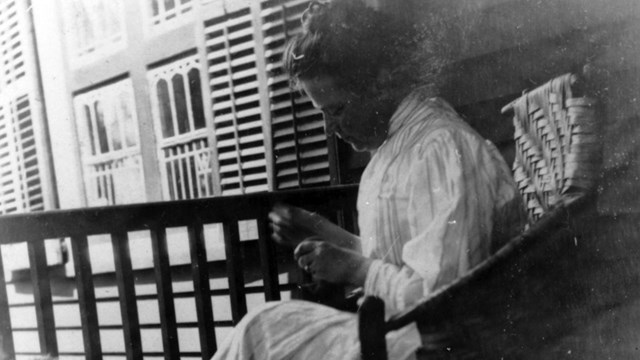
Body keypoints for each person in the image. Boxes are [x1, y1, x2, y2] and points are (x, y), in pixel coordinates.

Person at [212, 1, 526, 359]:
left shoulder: (441, 149)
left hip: (429, 346)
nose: (331, 129)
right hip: (397, 333)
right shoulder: (399, 148)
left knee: (259, 334)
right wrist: (325, 232)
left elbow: (445, 297)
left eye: (338, 110)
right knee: (262, 326)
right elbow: (406, 259)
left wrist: (355, 268)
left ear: (381, 82)